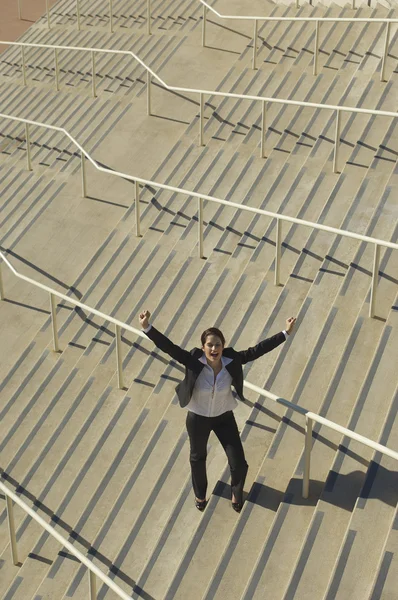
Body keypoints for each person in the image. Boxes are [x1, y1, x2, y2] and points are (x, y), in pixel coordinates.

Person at [139, 310, 296, 513]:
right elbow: (169, 348)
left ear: (223, 346)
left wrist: (286, 333)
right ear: (203, 347)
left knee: (238, 462)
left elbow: (258, 350)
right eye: (210, 345)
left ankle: (236, 494)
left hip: (223, 417)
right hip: (198, 418)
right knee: (198, 458)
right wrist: (147, 327)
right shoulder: (194, 361)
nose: (214, 348)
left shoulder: (232, 360)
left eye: (218, 344)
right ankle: (200, 495)